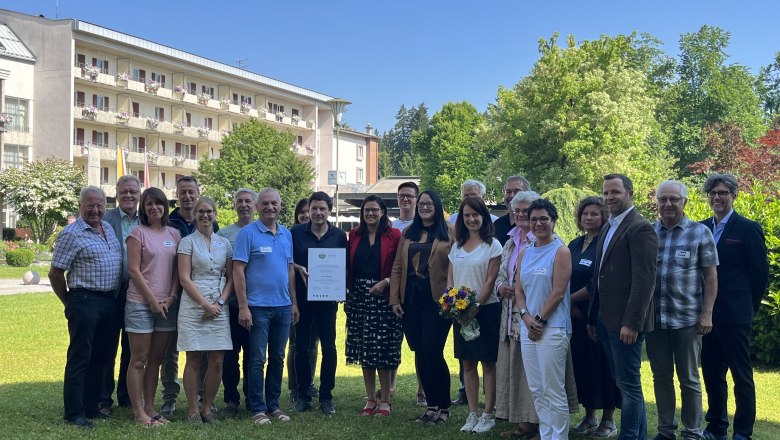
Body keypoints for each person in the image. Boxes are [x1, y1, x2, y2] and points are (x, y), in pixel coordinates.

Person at [587, 174, 659, 440]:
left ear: (630, 193)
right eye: (606, 193)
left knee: (629, 385)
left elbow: (645, 281)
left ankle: (629, 436)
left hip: (625, 323)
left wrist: (632, 323)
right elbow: (599, 275)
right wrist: (593, 317)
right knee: (622, 382)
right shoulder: (608, 227)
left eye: (615, 192)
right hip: (605, 319)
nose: (609, 198)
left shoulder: (640, 228)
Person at [646, 180, 718, 440]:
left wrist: (707, 312)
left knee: (689, 379)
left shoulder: (700, 233)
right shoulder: (648, 233)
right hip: (655, 319)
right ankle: (666, 431)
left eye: (673, 199)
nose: (667, 204)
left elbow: (711, 276)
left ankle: (692, 432)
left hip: (688, 319)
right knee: (661, 377)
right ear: (657, 203)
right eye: (662, 199)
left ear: (684, 202)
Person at [699, 173, 769, 440]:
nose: (718, 197)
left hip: (736, 315)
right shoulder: (702, 228)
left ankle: (742, 431)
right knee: (712, 374)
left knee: (741, 375)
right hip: (707, 315)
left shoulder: (747, 228)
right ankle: (716, 426)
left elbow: (759, 275)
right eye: (714, 193)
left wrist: (748, 309)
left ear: (733, 195)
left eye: (723, 193)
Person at [49, 186, 122, 428]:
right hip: (84, 300)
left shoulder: (108, 228)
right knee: (80, 358)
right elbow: (55, 273)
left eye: (100, 205)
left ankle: (92, 406)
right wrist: (69, 302)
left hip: (108, 301)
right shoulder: (71, 233)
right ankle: (74, 413)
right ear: (80, 206)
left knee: (102, 357)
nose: (95, 209)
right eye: (90, 205)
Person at [233, 188, 299, 425]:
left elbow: (289, 269)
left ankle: (274, 406)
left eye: (274, 204)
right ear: (257, 207)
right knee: (257, 359)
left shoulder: (286, 234)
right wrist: (243, 307)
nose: (270, 207)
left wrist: (294, 303)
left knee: (278, 358)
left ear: (280, 207)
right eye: (265, 204)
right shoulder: (247, 234)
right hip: (257, 307)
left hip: (283, 306)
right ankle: (257, 408)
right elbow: (238, 270)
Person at [390, 190, 455, 424]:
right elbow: (398, 266)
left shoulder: (449, 231)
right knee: (419, 352)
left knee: (433, 352)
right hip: (411, 300)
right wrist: (395, 299)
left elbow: (457, 263)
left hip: (437, 302)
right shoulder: (409, 232)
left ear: (437, 206)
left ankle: (444, 406)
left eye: (429, 204)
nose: (425, 207)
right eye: (422, 204)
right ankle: (431, 405)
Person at [160, 175, 219, 416]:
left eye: (190, 192)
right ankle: (170, 397)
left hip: (202, 298)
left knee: (202, 350)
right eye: (182, 192)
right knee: (170, 351)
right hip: (172, 293)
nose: (187, 196)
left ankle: (204, 398)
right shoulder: (169, 221)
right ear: (177, 195)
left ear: (197, 193)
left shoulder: (211, 225)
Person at [515, 198, 573, 440]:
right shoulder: (525, 253)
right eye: (534, 219)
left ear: (553, 221)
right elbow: (518, 290)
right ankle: (547, 434)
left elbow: (558, 292)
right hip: (528, 328)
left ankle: (558, 437)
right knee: (537, 389)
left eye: (543, 219)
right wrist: (526, 317)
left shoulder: (561, 251)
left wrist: (538, 320)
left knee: (553, 389)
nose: (538, 223)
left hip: (553, 328)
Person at [125, 187, 181, 426]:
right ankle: (138, 413)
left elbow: (179, 270)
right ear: (143, 208)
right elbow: (134, 271)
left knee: (157, 360)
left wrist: (171, 297)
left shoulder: (175, 234)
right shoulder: (137, 234)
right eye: (149, 204)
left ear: (165, 207)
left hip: (167, 306)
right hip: (140, 304)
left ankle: (150, 406)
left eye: (158, 203)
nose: (154, 208)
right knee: (139, 360)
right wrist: (151, 301)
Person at [177, 197, 233, 424]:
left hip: (219, 305)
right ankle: (192, 409)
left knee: (217, 361)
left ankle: (207, 407)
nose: (205, 215)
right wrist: (204, 304)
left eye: (209, 211)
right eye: (200, 211)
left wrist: (219, 303)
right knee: (194, 359)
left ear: (215, 213)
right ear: (195, 214)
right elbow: (184, 278)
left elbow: (231, 277)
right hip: (193, 305)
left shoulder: (224, 244)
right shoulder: (187, 242)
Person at [449, 197, 503, 433]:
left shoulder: (493, 246)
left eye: (476, 215)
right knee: (467, 363)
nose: (471, 219)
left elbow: (490, 280)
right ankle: (473, 413)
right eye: (467, 215)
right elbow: (451, 280)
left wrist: (475, 307)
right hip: (460, 314)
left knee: (488, 364)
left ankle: (488, 414)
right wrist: (451, 304)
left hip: (486, 311)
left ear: (484, 218)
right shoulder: (457, 246)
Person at [291, 192, 348, 415]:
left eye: (322, 208)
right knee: (301, 348)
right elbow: (287, 262)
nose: (317, 213)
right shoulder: (296, 232)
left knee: (329, 348)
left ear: (329, 211)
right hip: (303, 302)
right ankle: (303, 395)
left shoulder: (338, 236)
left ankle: (326, 396)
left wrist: (341, 287)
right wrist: (298, 268)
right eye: (314, 208)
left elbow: (343, 265)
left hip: (327, 301)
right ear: (309, 209)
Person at [568, 196, 620, 438]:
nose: (589, 218)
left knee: (602, 365)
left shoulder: (606, 243)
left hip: (597, 315)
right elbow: (563, 276)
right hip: (574, 317)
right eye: (585, 214)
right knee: (582, 365)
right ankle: (590, 416)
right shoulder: (575, 244)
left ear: (603, 217)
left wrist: (570, 300)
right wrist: (568, 304)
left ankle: (608, 421)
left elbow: (597, 281)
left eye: (594, 214)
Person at [346, 195, 402, 417]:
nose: (370, 213)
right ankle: (370, 398)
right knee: (365, 349)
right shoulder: (354, 235)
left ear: (382, 212)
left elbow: (400, 266)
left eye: (375, 210)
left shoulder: (394, 235)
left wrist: (386, 282)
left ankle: (386, 399)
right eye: (367, 210)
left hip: (385, 296)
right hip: (359, 296)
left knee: (384, 350)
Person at [494, 190, 542, 437]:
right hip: (509, 316)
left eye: (527, 210)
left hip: (533, 317)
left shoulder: (544, 239)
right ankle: (524, 423)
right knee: (516, 370)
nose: (522, 215)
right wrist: (502, 287)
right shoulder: (510, 241)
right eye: (518, 210)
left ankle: (538, 424)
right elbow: (500, 276)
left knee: (532, 372)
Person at [99, 175, 141, 415]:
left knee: (132, 347)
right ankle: (104, 399)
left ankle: (127, 396)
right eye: (124, 191)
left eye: (133, 192)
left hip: (137, 292)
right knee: (107, 346)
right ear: (116, 193)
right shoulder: (106, 219)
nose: (128, 195)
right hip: (112, 291)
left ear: (139, 194)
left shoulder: (145, 219)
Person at [217, 188, 257, 416]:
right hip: (231, 305)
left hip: (257, 304)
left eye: (248, 201)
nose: (244, 205)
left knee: (254, 356)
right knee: (230, 357)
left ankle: (253, 399)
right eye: (239, 201)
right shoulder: (224, 234)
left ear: (256, 205)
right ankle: (231, 399)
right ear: (234, 205)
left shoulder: (263, 231)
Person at [390, 181, 426, 406]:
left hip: (418, 293)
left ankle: (422, 391)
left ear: (417, 199)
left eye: (410, 196)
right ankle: (390, 387)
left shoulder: (424, 225)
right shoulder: (391, 225)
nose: (406, 200)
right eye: (402, 196)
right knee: (392, 343)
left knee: (421, 346)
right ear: (397, 199)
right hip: (395, 291)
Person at [287, 198, 320, 405]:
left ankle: (308, 384)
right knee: (296, 344)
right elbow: (286, 260)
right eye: (302, 211)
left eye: (311, 211)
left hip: (320, 297)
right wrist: (298, 267)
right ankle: (294, 386)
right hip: (296, 296)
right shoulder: (291, 234)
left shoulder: (325, 233)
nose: (306, 215)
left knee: (313, 343)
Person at [493, 175, 530, 246]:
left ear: (527, 194)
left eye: (517, 191)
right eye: (508, 192)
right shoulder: (497, 225)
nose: (512, 195)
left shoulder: (532, 224)